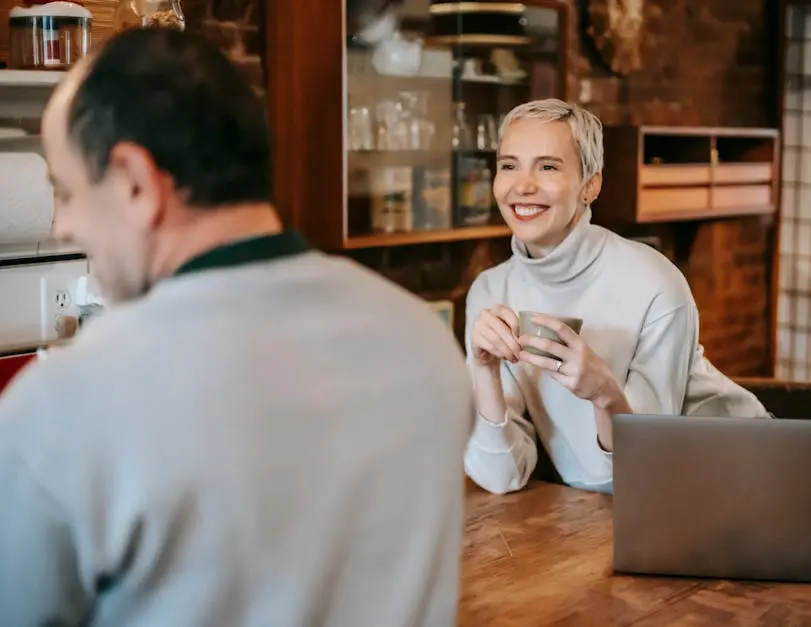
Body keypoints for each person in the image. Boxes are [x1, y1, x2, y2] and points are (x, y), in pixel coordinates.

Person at [0, 28, 472, 626]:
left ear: (135, 182)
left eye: (65, 192)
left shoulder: (64, 406)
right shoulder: (422, 339)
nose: (62, 225)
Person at [463, 99, 769, 495]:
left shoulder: (654, 282)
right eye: (509, 165)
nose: (522, 185)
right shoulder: (490, 292)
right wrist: (483, 370)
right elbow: (502, 476)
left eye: (548, 166)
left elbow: (641, 469)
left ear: (590, 185)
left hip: (740, 473)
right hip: (616, 506)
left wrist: (603, 392)